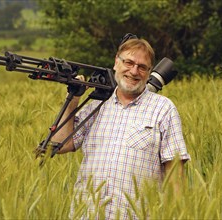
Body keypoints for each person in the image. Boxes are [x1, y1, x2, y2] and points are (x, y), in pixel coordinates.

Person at [52, 36, 190, 219]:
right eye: (129, 62)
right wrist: (73, 101)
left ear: (149, 73)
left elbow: (175, 175)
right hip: (86, 214)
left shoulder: (163, 109)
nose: (134, 71)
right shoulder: (96, 104)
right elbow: (60, 144)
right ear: (116, 63)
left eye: (142, 67)